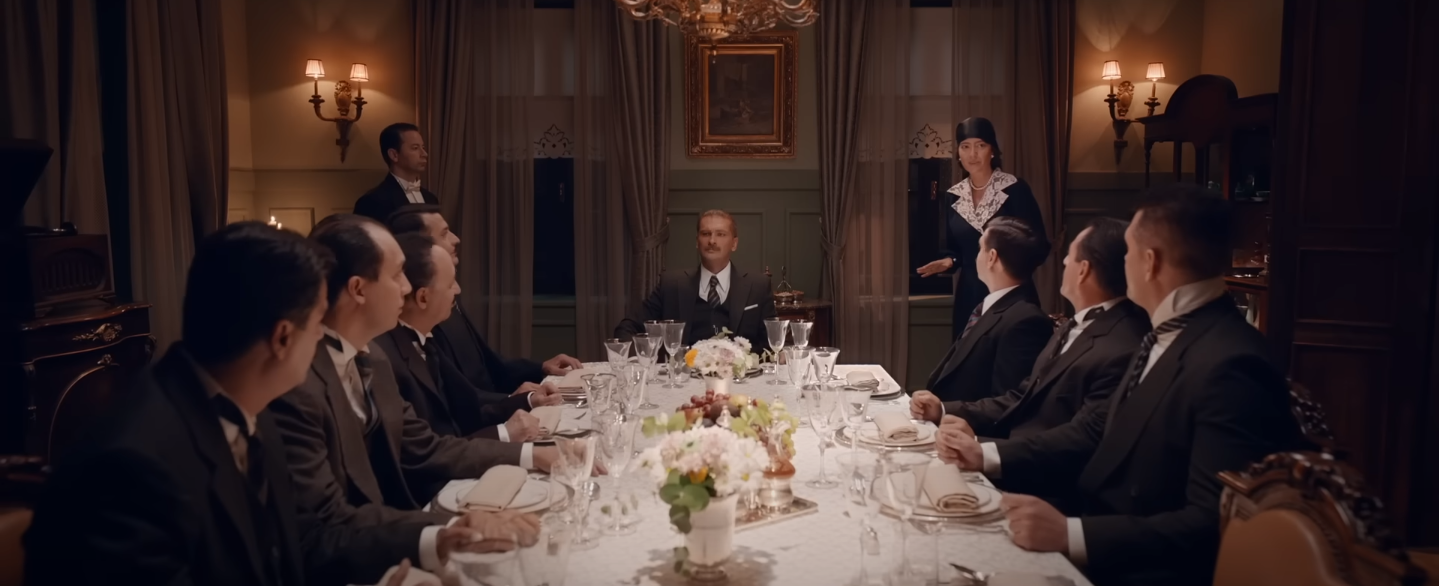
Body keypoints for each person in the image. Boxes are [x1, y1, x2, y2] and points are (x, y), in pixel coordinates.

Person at [23, 223, 537, 586]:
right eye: (318, 325)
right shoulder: (130, 470)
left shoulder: (239, 405)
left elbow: (313, 532)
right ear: (283, 338)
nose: (327, 343)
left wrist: (441, 537)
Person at [937, 185, 1302, 586]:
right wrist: (986, 455)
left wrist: (1071, 534)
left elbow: (1213, 524)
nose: (1119, 266)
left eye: (1127, 253)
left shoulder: (1232, 364)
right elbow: (1090, 433)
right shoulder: (1161, 334)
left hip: (1135, 569)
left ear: (1149, 263)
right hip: (1090, 522)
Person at [269, 214, 560, 568]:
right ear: (358, 290)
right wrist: (443, 533)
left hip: (394, 537)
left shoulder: (372, 357)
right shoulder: (299, 385)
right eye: (396, 275)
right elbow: (322, 528)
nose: (407, 287)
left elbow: (425, 447)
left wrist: (533, 455)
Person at [911, 218, 1148, 507]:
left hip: (1044, 489)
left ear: (1083, 270)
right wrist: (946, 410)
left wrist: (986, 451)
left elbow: (1083, 438)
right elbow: (1022, 396)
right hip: (1013, 459)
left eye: (1070, 256)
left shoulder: (1122, 345)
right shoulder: (1074, 326)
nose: (1063, 263)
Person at [385, 203, 580, 396]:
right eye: (444, 234)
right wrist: (516, 401)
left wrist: (541, 368)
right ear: (420, 245)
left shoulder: (447, 296)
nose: (456, 239)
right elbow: (458, 398)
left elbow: (489, 365)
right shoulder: (426, 312)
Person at [374, 231, 541, 441]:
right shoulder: (384, 359)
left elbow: (467, 412)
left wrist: (528, 400)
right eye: (451, 282)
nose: (458, 290)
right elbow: (425, 449)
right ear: (423, 297)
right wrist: (505, 433)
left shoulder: (426, 342)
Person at [916, 117, 1049, 341]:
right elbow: (954, 250)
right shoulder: (953, 195)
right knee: (969, 355)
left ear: (992, 151)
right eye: (965, 147)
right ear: (958, 153)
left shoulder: (1014, 188)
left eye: (980, 145)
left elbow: (1039, 245)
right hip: (969, 294)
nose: (973, 154)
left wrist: (1009, 269)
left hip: (1011, 293)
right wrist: (950, 261)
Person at [918, 216, 1053, 403]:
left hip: (964, 421)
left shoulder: (1026, 321)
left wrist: (942, 410)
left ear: (992, 258)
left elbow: (1011, 402)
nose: (977, 256)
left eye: (980, 248)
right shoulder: (988, 308)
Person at [615, 209, 778, 351]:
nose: (712, 241)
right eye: (705, 234)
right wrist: (636, 362)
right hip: (684, 374)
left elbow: (773, 343)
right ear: (696, 242)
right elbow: (628, 327)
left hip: (740, 375)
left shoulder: (758, 286)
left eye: (720, 234)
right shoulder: (671, 285)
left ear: (734, 244)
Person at [355, 123, 438, 223]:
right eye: (415, 148)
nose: (424, 154)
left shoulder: (431, 198)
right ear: (394, 155)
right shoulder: (371, 201)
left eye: (423, 147)